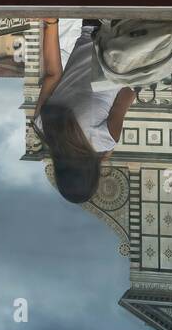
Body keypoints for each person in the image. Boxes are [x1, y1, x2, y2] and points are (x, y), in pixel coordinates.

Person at [32, 18, 136, 202]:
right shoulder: (43, 126)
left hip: (127, 36)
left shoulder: (104, 140)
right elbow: (52, 74)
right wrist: (51, 22)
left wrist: (108, 148)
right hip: (91, 26)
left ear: (92, 175)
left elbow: (127, 92)